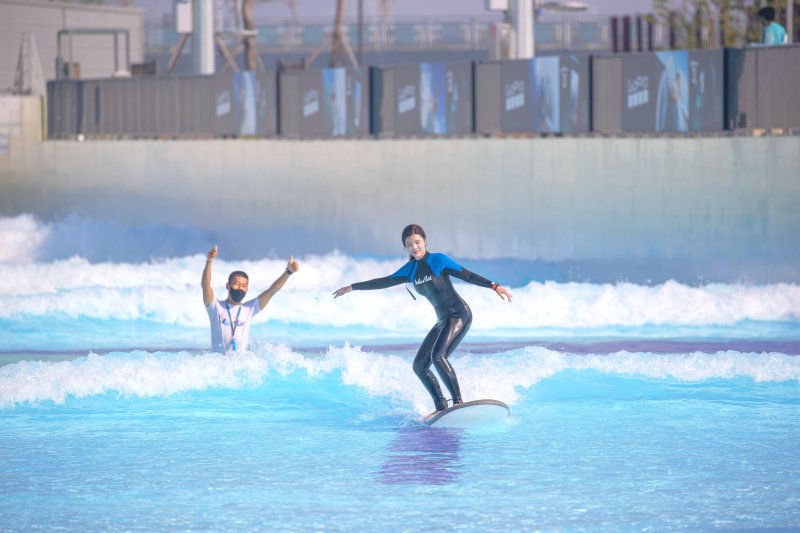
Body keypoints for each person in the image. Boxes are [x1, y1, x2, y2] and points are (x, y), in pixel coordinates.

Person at [332, 224, 512, 413]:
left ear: (425, 241)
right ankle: (441, 408)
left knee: (437, 356)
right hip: (442, 320)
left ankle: (458, 403)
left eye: (417, 242)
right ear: (406, 247)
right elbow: (384, 281)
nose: (415, 247)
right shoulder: (410, 270)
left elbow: (467, 275)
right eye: (409, 245)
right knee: (419, 366)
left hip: (459, 314)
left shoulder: (438, 260)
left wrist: (494, 286)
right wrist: (352, 287)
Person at [202, 245, 299, 353]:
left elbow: (272, 291)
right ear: (227, 286)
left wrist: (288, 272)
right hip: (219, 366)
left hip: (241, 366)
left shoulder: (249, 308)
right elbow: (206, 286)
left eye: (244, 286)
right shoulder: (216, 307)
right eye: (236, 284)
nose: (240, 288)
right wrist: (209, 261)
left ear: (247, 289)